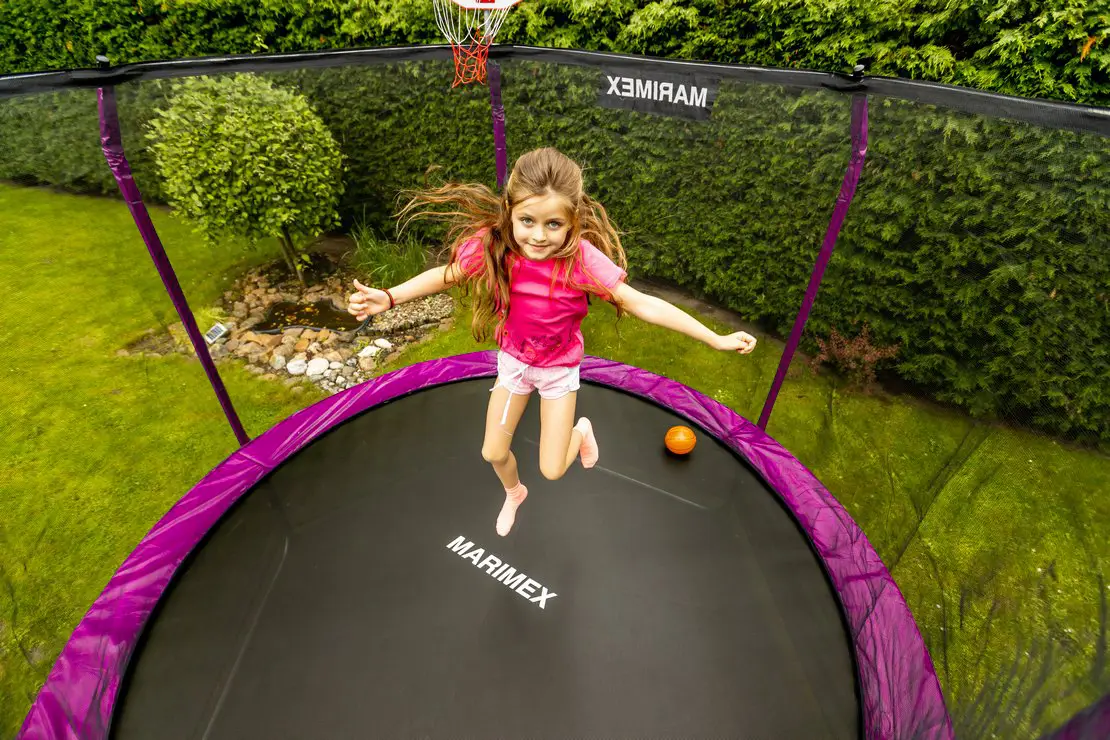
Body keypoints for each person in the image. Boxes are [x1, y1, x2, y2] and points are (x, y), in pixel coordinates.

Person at [348, 147, 756, 536]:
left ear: (572, 221)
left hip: (558, 371)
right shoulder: (495, 246)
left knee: (553, 469)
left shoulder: (581, 260)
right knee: (493, 453)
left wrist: (714, 338)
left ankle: (582, 431)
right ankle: (515, 493)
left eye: (553, 224)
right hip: (514, 365)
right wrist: (388, 297)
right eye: (527, 221)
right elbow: (447, 275)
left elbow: (640, 303)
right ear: (509, 211)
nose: (539, 236)